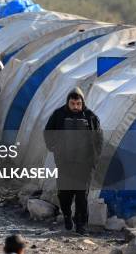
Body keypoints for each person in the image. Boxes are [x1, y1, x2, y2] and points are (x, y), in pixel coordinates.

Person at [44, 87, 103, 234]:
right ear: (68, 103)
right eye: (72, 104)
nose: (76, 107)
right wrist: (54, 148)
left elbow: (99, 140)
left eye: (78, 104)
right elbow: (48, 132)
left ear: (82, 103)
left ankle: (81, 224)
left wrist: (94, 160)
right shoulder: (59, 115)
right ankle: (67, 215)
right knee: (64, 194)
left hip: (84, 165)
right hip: (65, 163)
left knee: (82, 196)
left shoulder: (91, 117)